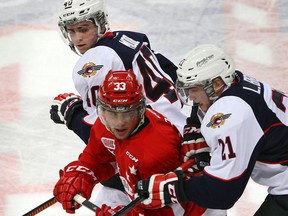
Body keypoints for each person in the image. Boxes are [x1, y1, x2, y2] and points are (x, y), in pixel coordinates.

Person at [50, 0, 187, 208]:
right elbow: (178, 81)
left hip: (154, 154)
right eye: (71, 31)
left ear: (100, 23)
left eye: (83, 29)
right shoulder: (128, 40)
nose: (77, 38)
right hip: (182, 139)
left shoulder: (96, 60)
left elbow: (106, 131)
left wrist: (71, 114)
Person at [134, 44, 288, 215]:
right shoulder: (233, 84)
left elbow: (224, 192)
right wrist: (195, 130)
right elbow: (200, 107)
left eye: (193, 89)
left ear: (216, 84)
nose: (190, 96)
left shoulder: (233, 115)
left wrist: (172, 189)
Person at [53, 69, 206, 215]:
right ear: (103, 110)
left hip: (190, 211)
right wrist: (82, 173)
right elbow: (97, 157)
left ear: (140, 110)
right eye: (113, 113)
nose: (119, 123)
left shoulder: (156, 152)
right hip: (142, 197)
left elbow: (170, 211)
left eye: (127, 113)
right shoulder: (104, 125)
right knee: (107, 197)